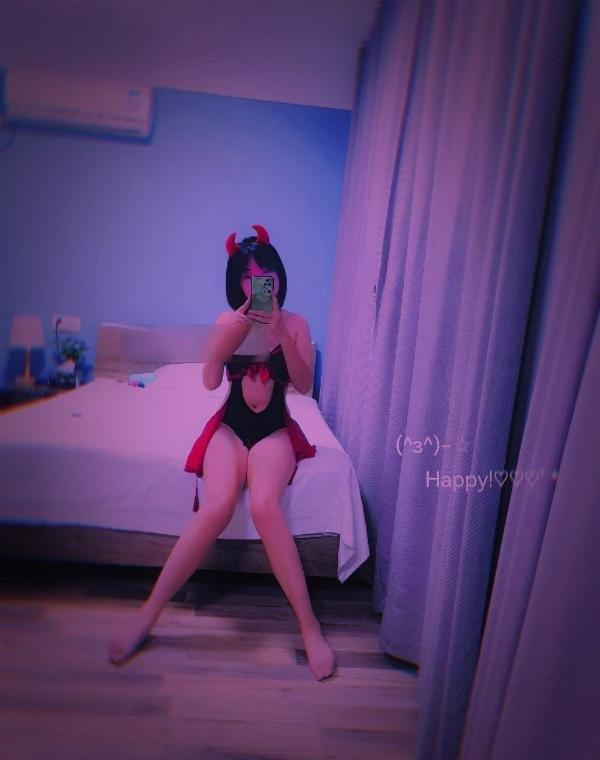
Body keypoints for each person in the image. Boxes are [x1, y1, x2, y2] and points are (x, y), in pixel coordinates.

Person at [107, 224, 336, 681]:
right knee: (216, 506)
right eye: (248, 276)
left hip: (273, 430)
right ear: (237, 282)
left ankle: (309, 627)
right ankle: (146, 615)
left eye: (264, 272)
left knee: (266, 506)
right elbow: (210, 381)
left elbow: (304, 384)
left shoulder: (295, 323)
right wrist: (227, 339)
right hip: (230, 427)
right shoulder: (226, 320)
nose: (257, 282)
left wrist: (279, 335)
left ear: (277, 275)